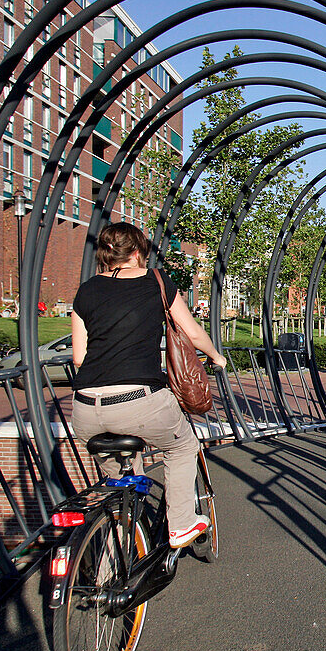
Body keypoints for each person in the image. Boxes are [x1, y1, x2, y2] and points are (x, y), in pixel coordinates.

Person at [71, 223, 226, 548]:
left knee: (121, 484)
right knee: (182, 446)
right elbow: (193, 333)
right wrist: (216, 356)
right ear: (138, 253)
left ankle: (113, 562)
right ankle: (181, 523)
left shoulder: (86, 290)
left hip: (86, 408)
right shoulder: (156, 281)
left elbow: (79, 358)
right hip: (139, 400)